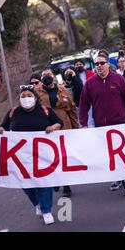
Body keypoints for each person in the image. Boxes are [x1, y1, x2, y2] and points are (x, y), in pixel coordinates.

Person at [0, 85, 63, 225]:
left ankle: (46, 210)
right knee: (26, 184)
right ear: (19, 99)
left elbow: (59, 123)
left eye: (29, 95)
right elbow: (4, 126)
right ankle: (37, 203)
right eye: (23, 96)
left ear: (35, 97)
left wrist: (53, 127)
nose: (26, 98)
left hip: (42, 155)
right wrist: (0, 130)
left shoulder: (45, 111)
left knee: (44, 183)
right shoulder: (13, 113)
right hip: (21, 157)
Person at [79, 53, 125, 194]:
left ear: (107, 64)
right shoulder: (90, 84)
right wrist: (84, 123)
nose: (99, 66)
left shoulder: (119, 79)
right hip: (101, 126)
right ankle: (117, 178)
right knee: (109, 155)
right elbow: (84, 105)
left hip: (120, 122)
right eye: (96, 64)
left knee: (122, 153)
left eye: (102, 63)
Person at [36, 68, 79, 198]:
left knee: (62, 156)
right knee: (50, 157)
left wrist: (75, 128)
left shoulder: (63, 90)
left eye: (48, 74)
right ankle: (55, 179)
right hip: (46, 128)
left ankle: (66, 186)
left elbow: (72, 110)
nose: (46, 76)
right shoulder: (36, 92)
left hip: (63, 126)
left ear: (54, 76)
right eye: (43, 75)